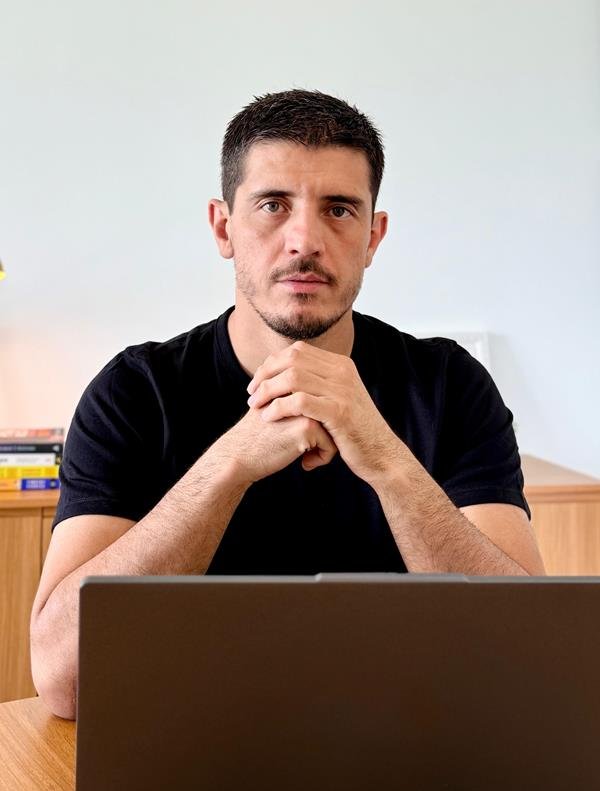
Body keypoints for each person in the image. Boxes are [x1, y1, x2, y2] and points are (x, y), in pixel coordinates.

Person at [30, 89, 545, 719]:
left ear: (373, 236)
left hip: (409, 738)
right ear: (223, 226)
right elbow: (62, 679)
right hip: (193, 736)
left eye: (339, 209)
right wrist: (229, 464)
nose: (305, 240)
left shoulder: (451, 385)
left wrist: (385, 458)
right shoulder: (133, 392)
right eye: (273, 205)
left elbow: (530, 656)